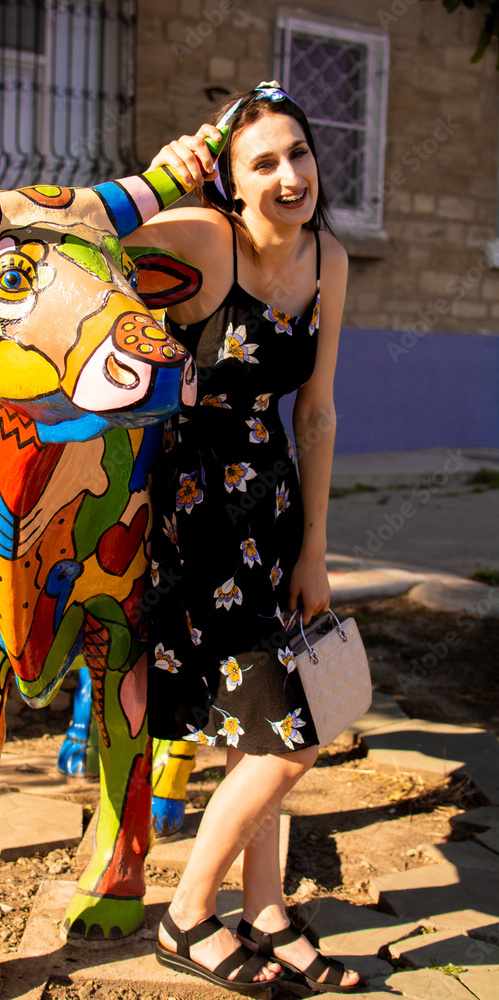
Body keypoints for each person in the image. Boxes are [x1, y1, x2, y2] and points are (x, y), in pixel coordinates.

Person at [125, 82, 359, 995]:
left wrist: (314, 549)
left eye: (298, 152)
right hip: (194, 507)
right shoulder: (199, 236)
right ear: (228, 180)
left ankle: (261, 908)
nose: (289, 173)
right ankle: (187, 915)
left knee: (260, 720)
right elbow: (88, 244)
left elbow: (319, 409)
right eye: (262, 161)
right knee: (290, 730)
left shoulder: (327, 257)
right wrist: (156, 181)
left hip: (275, 505)